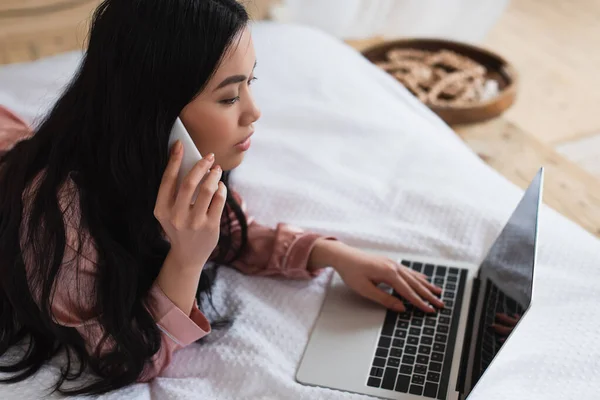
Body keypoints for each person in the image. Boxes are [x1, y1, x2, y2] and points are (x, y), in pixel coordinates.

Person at [0, 0, 444, 396]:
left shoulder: (164, 164)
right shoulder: (63, 216)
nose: (254, 111)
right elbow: (125, 360)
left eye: (250, 83)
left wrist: (331, 254)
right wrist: (186, 260)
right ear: (155, 114)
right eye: (230, 95)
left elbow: (228, 232)